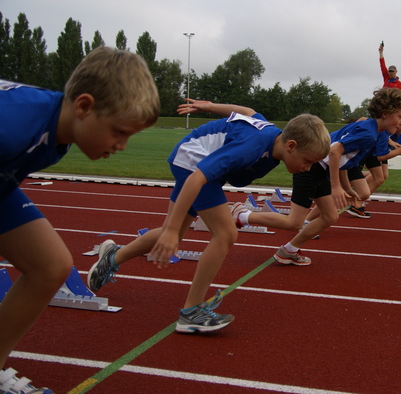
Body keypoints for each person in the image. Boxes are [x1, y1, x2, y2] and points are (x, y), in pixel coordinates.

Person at [87, 100, 330, 334]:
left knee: (175, 233)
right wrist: (172, 229)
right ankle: (191, 312)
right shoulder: (252, 146)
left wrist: (210, 107)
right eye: (308, 162)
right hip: (192, 162)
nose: (307, 169)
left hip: (192, 161)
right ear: (291, 146)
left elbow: (248, 111)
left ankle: (113, 257)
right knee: (225, 234)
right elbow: (196, 178)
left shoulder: (273, 137)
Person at [0, 46, 160, 393]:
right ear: (84, 106)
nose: (122, 145)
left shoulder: (54, 132)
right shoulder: (13, 124)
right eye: (119, 131)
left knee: (51, 265)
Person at [230, 87, 401, 265]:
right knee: (294, 222)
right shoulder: (368, 133)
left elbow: (342, 159)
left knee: (330, 216)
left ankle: (288, 250)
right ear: (386, 113)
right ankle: (243, 215)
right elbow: (334, 152)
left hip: (321, 169)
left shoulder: (370, 129)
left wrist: (346, 187)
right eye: (400, 117)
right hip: (311, 167)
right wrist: (336, 187)